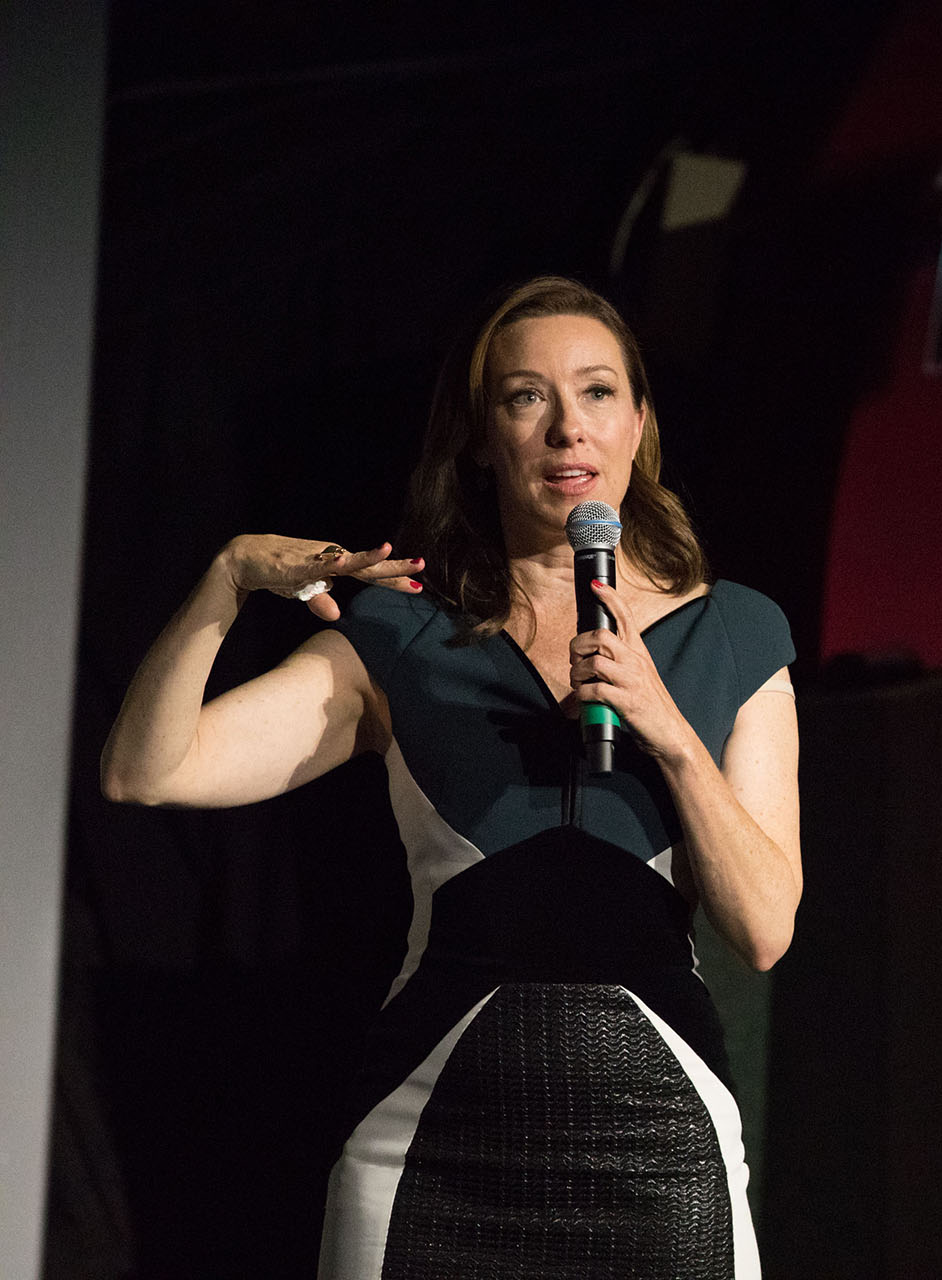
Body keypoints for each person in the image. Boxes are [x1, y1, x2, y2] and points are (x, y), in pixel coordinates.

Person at [99, 276, 800, 1278]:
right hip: (431, 1145)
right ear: (481, 438)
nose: (567, 428)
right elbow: (144, 771)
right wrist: (225, 583)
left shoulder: (735, 633)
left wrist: (669, 730)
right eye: (527, 398)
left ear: (639, 426)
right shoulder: (405, 636)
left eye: (597, 392)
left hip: (664, 1152)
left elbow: (767, 926)